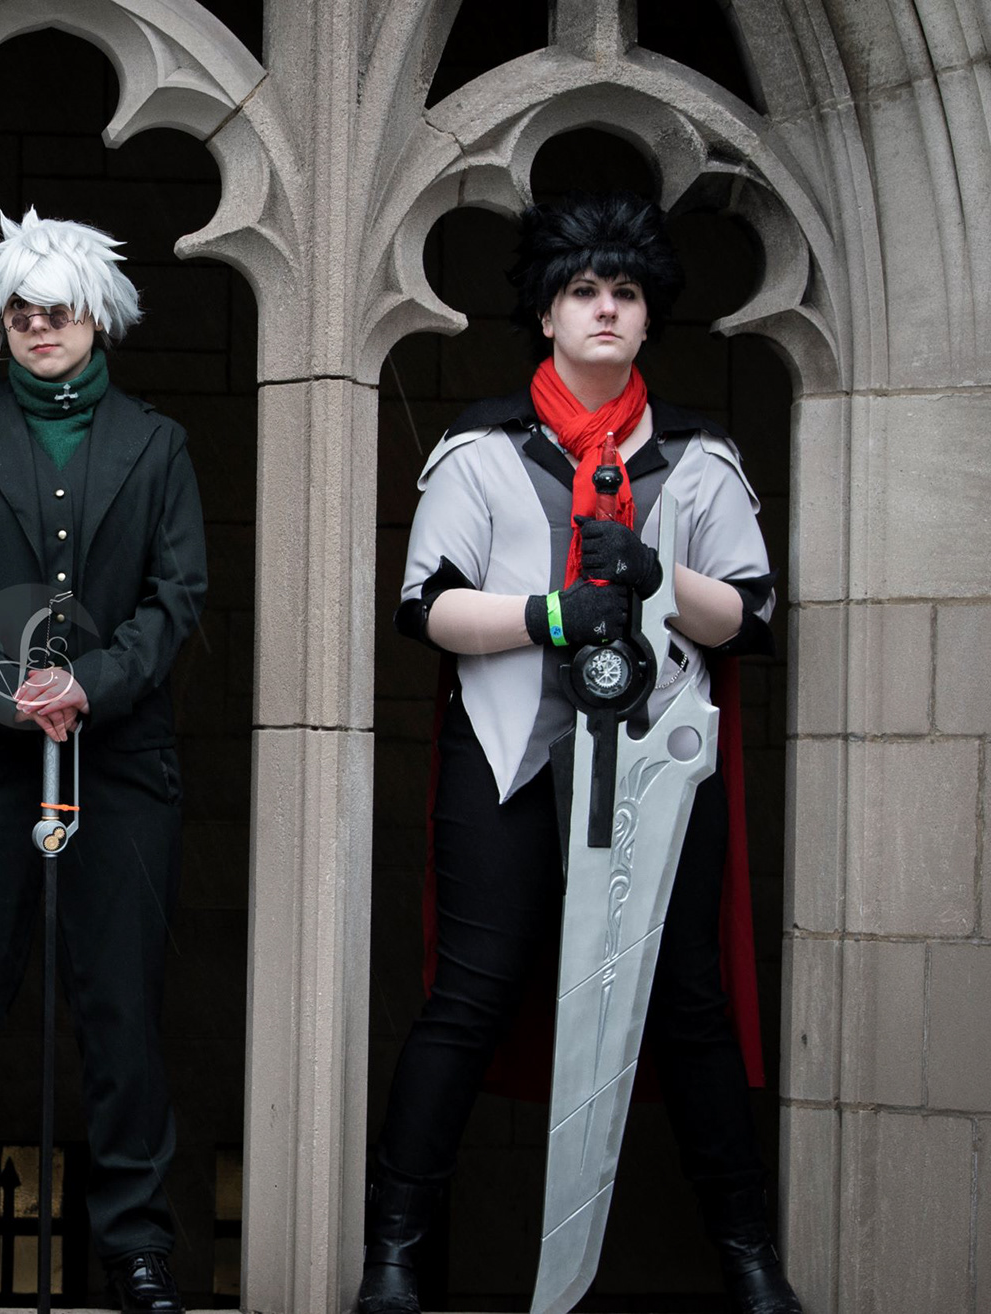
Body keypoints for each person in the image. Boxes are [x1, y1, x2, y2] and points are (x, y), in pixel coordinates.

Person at [362, 193, 802, 1314]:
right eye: (584, 291)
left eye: (626, 292)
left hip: (661, 766)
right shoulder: (481, 450)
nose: (606, 308)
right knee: (470, 996)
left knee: (687, 1001)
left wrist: (661, 579)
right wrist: (550, 615)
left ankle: (752, 1261)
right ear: (548, 313)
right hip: (509, 753)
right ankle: (395, 1257)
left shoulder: (700, 459)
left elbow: (751, 616)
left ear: (649, 317)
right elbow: (428, 609)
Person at [0, 209, 207, 1314]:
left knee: (123, 1012)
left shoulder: (158, 444)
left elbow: (177, 598)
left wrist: (92, 683)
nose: (40, 325)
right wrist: (2, 686)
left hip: (121, 764)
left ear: (96, 317)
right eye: (21, 311)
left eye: (59, 309)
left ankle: (137, 1248)